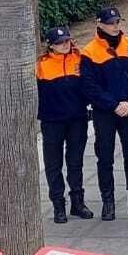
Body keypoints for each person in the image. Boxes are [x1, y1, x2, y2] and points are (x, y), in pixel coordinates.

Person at [80, 6, 128, 220]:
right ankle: (108, 201)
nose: (114, 26)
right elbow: (89, 86)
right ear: (99, 24)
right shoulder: (90, 52)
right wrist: (113, 105)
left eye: (117, 22)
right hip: (105, 112)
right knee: (105, 157)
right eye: (110, 23)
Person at [37, 25, 94, 225]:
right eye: (60, 43)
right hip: (52, 121)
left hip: (77, 119)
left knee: (75, 162)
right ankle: (58, 204)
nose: (64, 45)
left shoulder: (78, 60)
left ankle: (78, 202)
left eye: (67, 41)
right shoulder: (41, 65)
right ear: (51, 46)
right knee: (54, 164)